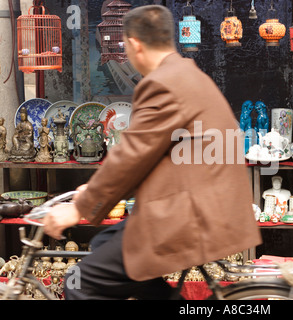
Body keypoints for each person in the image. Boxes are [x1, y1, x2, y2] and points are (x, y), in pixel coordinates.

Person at [43, 5, 261, 300]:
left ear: (134, 44)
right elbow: (151, 156)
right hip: (207, 209)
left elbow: (132, 155)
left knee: (79, 281)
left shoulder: (162, 84)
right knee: (107, 244)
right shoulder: (188, 75)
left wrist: (78, 208)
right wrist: (94, 191)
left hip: (188, 218)